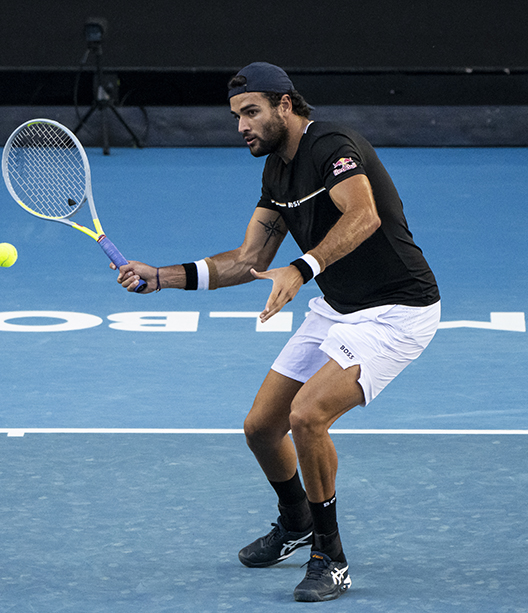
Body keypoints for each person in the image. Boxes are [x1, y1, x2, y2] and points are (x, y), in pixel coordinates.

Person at [114, 62, 440, 602]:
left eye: (251, 113)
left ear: (285, 106)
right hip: (339, 307)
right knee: (262, 427)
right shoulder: (277, 171)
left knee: (307, 416)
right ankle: (296, 522)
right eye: (236, 116)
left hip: (397, 311)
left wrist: (303, 268)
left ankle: (330, 557)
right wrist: (162, 277)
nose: (241, 126)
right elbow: (248, 261)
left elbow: (364, 217)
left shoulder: (331, 146)